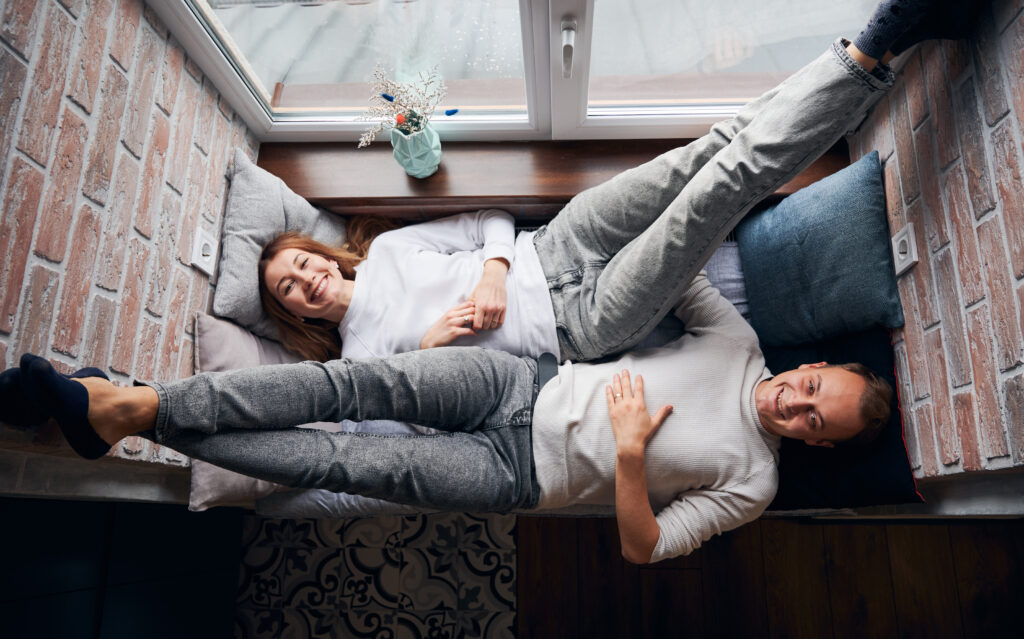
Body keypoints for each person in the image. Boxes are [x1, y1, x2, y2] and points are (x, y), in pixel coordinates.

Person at [0, 2, 973, 562]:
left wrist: (628, 435)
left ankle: (874, 46)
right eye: (814, 384)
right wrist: (638, 259)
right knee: (707, 162)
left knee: (719, 186)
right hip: (559, 295)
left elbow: (639, 541)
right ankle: (124, 410)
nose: (796, 398)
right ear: (808, 364)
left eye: (812, 414)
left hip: (558, 369)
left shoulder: (752, 479)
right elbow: (686, 280)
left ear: (816, 443)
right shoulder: (741, 346)